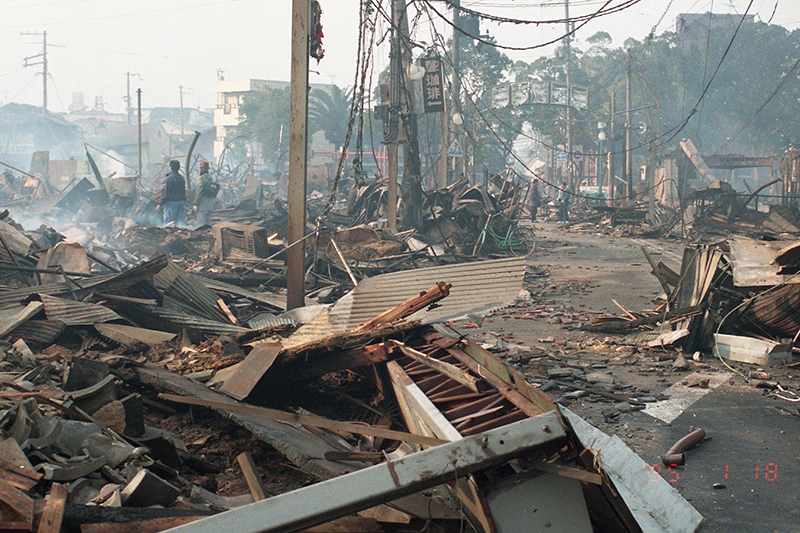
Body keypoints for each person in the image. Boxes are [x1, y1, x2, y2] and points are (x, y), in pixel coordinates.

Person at [157, 160, 186, 227]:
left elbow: (165, 193)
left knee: (169, 224)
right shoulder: (181, 178)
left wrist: (160, 204)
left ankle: (170, 236)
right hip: (181, 202)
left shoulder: (168, 179)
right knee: (181, 224)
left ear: (170, 168)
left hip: (171, 203)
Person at [193, 160, 215, 228]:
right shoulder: (210, 178)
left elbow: (199, 192)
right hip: (209, 206)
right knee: (208, 226)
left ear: (201, 169)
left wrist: (195, 203)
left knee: (201, 227)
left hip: (202, 207)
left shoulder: (201, 178)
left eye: (199, 169)